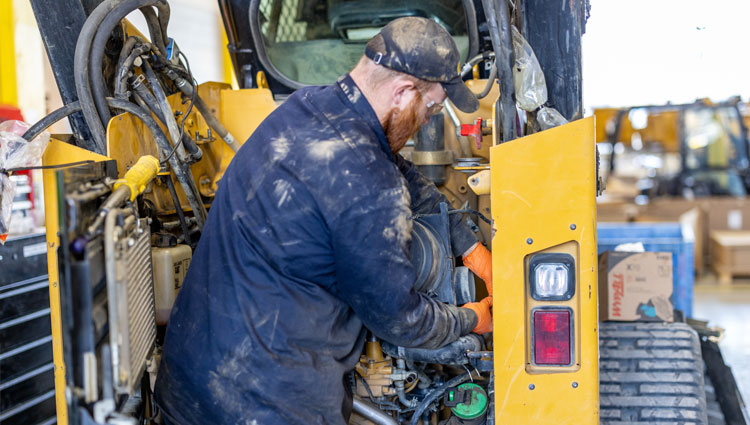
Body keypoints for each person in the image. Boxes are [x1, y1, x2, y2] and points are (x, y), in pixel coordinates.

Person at [155, 16, 494, 425]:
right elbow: (402, 320)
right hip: (265, 405)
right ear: (403, 92)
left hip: (191, 381)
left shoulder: (310, 107)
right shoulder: (368, 182)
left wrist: (470, 247)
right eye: (432, 106)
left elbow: (396, 166)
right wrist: (473, 318)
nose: (428, 119)